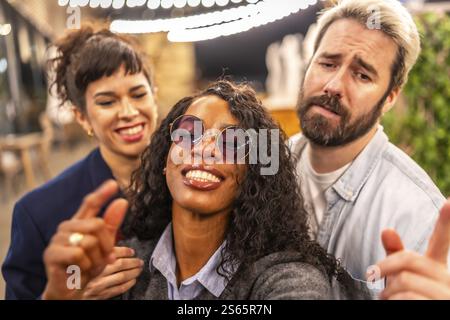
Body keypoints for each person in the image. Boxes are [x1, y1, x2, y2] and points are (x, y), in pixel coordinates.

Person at [40, 80, 366, 300]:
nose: (205, 148)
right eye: (188, 131)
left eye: (232, 141)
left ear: (254, 174)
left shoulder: (287, 279)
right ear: (166, 158)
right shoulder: (123, 267)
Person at [289, 0, 446, 295]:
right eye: (327, 63)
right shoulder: (270, 167)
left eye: (362, 75)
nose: (334, 85)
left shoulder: (417, 216)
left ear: (390, 98)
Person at [2, 26, 158, 300]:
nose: (129, 112)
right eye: (107, 102)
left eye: (138, 94)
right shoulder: (39, 212)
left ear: (154, 95)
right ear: (82, 117)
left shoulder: (188, 182)